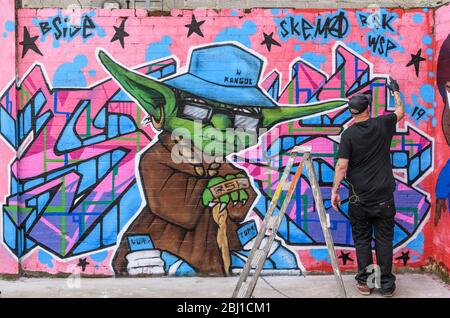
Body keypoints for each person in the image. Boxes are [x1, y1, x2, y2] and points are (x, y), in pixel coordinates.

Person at [331, 77, 404, 297]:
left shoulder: (348, 135)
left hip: (358, 200)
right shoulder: (383, 124)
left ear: (352, 112)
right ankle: (387, 286)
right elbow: (400, 111)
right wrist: (395, 93)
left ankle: (364, 283)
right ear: (367, 109)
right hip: (384, 198)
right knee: (384, 241)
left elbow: (342, 165)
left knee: (362, 240)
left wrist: (334, 191)